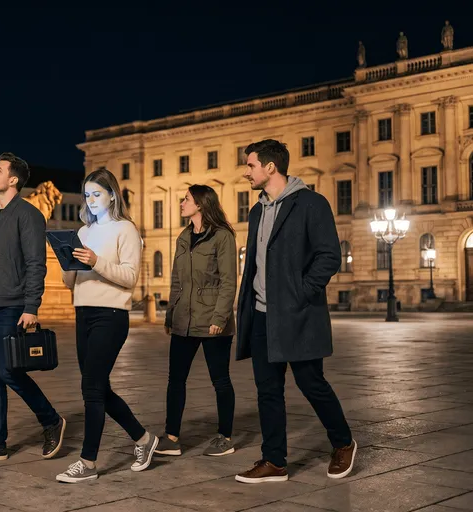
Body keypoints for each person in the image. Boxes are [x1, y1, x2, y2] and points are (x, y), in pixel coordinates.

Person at [235, 139, 356, 484]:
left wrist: (300, 293)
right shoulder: (257, 211)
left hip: (297, 313)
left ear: (270, 167)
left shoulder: (311, 204)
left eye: (251, 165)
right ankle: (274, 461)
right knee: (267, 390)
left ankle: (343, 443)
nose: (247, 172)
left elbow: (329, 256)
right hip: (261, 314)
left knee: (311, 383)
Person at [0, 152, 66, 462]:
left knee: (8, 372)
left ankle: (51, 421)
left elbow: (36, 263)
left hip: (13, 307)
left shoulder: (29, 215)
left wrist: (31, 306)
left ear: (13, 179)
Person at [55, 168, 158, 484]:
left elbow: (130, 277)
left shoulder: (125, 229)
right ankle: (144, 439)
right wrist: (68, 263)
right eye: (87, 194)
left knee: (91, 388)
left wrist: (95, 261)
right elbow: (71, 282)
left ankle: (87, 462)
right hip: (83, 313)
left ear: (112, 195)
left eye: (96, 194)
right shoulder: (84, 232)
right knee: (99, 387)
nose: (90, 200)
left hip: (111, 315)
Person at [158, 184, 237, 459]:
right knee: (175, 380)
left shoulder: (222, 236)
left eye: (186, 199)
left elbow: (228, 281)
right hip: (184, 320)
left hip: (213, 321)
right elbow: (176, 281)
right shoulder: (183, 236)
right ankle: (171, 437)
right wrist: (170, 315)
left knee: (220, 380)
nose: (181, 203)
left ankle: (225, 437)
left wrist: (220, 317)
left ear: (201, 204)